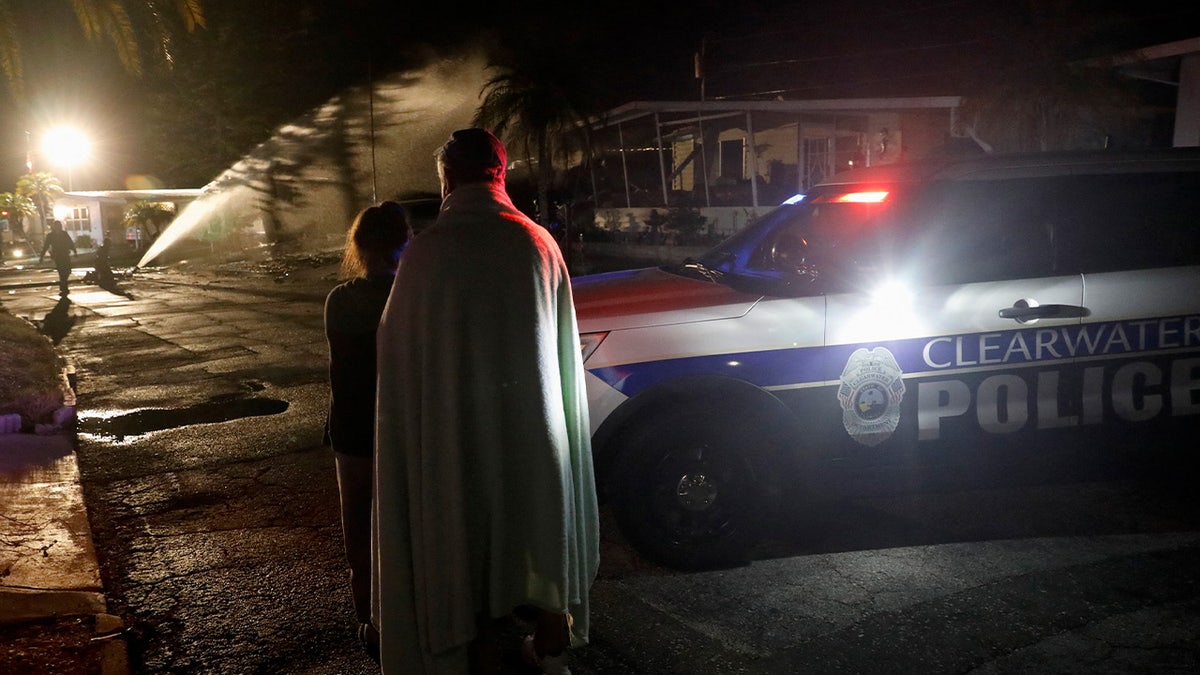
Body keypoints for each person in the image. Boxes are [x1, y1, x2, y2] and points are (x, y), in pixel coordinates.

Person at [373, 128, 599, 674]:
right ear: (500, 172)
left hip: (456, 430)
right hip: (534, 426)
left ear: (446, 177)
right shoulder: (538, 242)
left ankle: (467, 647)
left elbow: (397, 349)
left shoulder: (428, 253)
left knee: (459, 523)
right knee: (540, 519)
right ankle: (551, 643)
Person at [324, 202, 413, 662]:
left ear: (358, 246)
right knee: (413, 530)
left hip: (353, 433)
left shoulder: (340, 299)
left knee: (360, 534)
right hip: (407, 433)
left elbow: (343, 369)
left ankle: (372, 624)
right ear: (406, 242)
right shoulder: (416, 298)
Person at [39, 220, 77, 297]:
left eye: (59, 226)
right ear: (54, 227)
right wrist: (42, 256)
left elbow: (70, 242)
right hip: (58, 256)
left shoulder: (64, 234)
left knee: (68, 271)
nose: (58, 227)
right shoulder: (50, 235)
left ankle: (63, 286)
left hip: (65, 254)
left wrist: (74, 251)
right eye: (57, 226)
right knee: (61, 271)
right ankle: (64, 288)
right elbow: (46, 245)